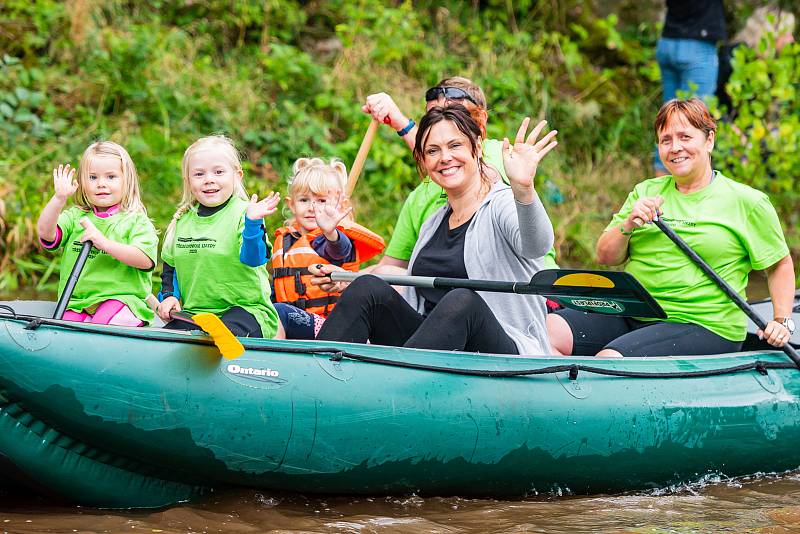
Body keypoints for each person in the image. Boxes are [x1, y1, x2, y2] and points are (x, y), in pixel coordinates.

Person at [548, 98, 795, 357]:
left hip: (702, 324)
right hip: (634, 311)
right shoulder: (646, 191)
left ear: (709, 140)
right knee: (546, 331)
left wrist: (781, 320)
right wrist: (628, 224)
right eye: (666, 140)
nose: (675, 148)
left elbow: (779, 265)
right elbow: (605, 257)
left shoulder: (747, 202)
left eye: (685, 137)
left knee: (610, 360)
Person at [313, 105, 557, 355]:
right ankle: (315, 374)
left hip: (500, 348)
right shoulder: (434, 222)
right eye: (433, 151)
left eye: (455, 146)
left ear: (477, 147)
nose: (444, 157)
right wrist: (346, 279)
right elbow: (403, 276)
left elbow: (536, 246)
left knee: (462, 300)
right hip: (432, 348)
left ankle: (395, 382)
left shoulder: (502, 202)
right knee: (368, 288)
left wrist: (524, 190)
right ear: (423, 160)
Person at [360, 76, 560, 273]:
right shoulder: (418, 199)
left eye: (456, 116)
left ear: (479, 125)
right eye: (434, 116)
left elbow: (480, 175)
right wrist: (345, 277)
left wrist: (402, 124)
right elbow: (389, 268)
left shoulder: (501, 155)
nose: (443, 126)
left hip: (530, 290)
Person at [156, 135, 281, 338]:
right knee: (165, 341)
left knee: (224, 331)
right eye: (199, 174)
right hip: (196, 315)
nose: (209, 179)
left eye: (218, 172)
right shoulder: (181, 222)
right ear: (188, 181)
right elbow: (171, 268)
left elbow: (254, 259)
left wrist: (252, 223)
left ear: (237, 175)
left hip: (247, 311)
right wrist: (170, 296)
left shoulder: (246, 214)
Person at [37, 141, 158, 326]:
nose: (101, 184)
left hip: (122, 300)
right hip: (77, 303)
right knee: (66, 326)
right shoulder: (75, 216)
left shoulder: (136, 221)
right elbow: (46, 234)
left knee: (104, 321)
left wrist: (105, 244)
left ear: (127, 180)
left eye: (111, 177)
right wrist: (59, 199)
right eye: (93, 177)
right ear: (83, 182)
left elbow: (145, 260)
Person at [271, 157, 384, 337]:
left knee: (276, 313)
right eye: (304, 200)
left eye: (322, 201)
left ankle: (271, 362)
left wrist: (331, 232)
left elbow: (338, 249)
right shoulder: (286, 242)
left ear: (340, 206)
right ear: (291, 204)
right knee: (264, 312)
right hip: (297, 321)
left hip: (331, 326)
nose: (312, 208)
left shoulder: (331, 238)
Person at [654, 0, 726, 175]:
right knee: (696, 126)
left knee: (668, 122)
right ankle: (687, 195)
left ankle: (659, 195)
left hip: (668, 40)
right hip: (697, 46)